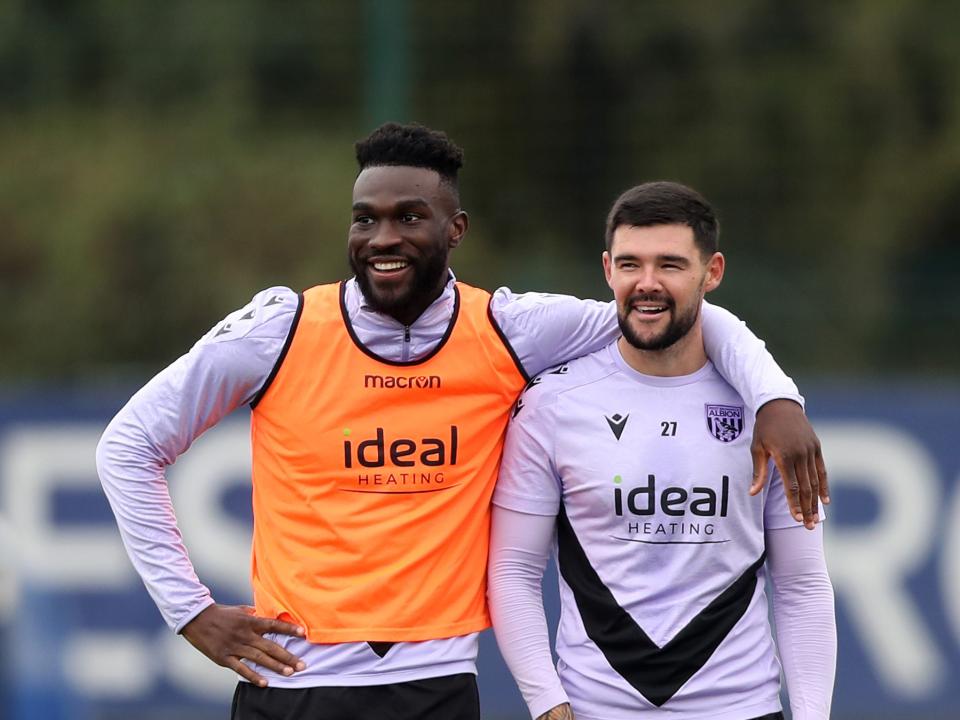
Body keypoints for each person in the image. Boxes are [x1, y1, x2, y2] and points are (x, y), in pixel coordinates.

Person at [96, 125, 828, 720]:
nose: (383, 237)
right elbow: (128, 447)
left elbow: (666, 307)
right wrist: (189, 611)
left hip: (437, 686)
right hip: (292, 686)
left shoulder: (509, 329)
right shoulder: (280, 329)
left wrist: (774, 398)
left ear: (456, 229)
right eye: (365, 218)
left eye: (409, 217)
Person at [487, 181, 836, 720]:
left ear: (712, 272)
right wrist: (544, 699)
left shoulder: (767, 411)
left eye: (670, 265)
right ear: (608, 270)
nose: (646, 284)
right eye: (630, 265)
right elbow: (512, 570)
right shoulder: (553, 405)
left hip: (742, 710)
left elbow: (802, 585)